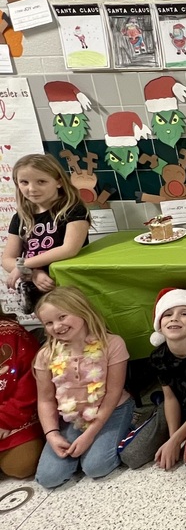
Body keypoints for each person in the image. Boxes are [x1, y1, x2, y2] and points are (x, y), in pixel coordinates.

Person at [33, 287, 134, 488]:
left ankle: (126, 428)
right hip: (72, 418)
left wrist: (90, 435)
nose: (57, 326)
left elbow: (113, 392)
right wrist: (52, 435)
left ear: (83, 311)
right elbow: (45, 400)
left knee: (96, 467)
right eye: (49, 323)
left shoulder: (112, 344)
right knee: (49, 478)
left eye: (62, 317)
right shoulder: (46, 355)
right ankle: (81, 454)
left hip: (111, 410)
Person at [118, 288, 186, 470]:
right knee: (131, 456)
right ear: (159, 325)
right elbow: (171, 398)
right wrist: (172, 438)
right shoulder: (159, 357)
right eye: (167, 314)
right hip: (177, 406)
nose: (174, 318)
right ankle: (156, 408)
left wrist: (176, 440)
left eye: (184, 313)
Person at [2, 154, 90, 314]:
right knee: (55, 330)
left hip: (71, 286)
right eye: (24, 182)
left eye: (41, 181)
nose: (32, 189)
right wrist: (33, 273)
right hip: (38, 287)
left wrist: (24, 265)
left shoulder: (73, 210)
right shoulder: (20, 217)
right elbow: (7, 259)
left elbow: (69, 249)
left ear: (59, 182)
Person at [0, 311, 42, 479]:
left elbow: (30, 384)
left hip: (15, 416)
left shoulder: (12, 334)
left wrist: (4, 420)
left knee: (20, 466)